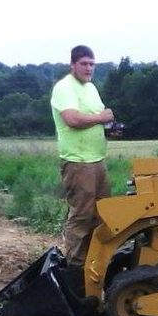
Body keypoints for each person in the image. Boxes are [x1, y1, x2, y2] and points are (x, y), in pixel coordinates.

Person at [50, 45, 115, 267]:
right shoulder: (64, 88)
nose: (89, 68)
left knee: (102, 215)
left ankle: (95, 263)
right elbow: (73, 120)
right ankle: (76, 268)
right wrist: (100, 117)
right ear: (73, 65)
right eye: (84, 64)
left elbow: (98, 118)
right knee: (81, 217)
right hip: (78, 162)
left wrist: (108, 124)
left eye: (92, 64)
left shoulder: (91, 88)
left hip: (97, 160)